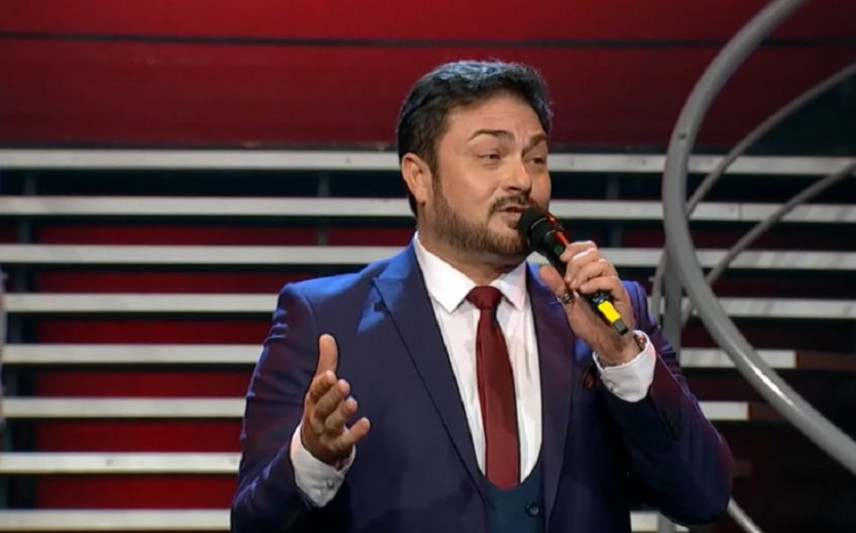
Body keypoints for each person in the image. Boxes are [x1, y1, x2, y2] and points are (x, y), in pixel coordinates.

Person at [231, 60, 733, 533]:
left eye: (536, 158)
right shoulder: (325, 320)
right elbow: (253, 522)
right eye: (491, 156)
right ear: (419, 176)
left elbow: (703, 497)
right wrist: (313, 457)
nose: (522, 180)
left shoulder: (610, 314)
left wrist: (623, 358)